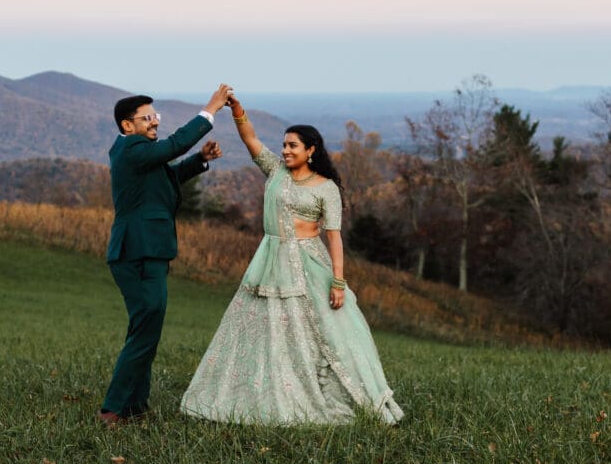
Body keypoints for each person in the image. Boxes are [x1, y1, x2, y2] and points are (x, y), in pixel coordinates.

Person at [180, 95, 403, 425]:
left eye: (293, 146)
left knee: (325, 330)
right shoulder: (276, 171)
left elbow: (334, 236)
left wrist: (339, 281)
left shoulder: (326, 188)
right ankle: (254, 393)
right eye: (284, 145)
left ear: (311, 150)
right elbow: (251, 139)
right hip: (269, 260)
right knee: (258, 327)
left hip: (309, 264)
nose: (285, 151)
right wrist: (237, 111)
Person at [100, 85, 233, 425]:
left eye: (155, 117)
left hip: (145, 251)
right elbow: (174, 145)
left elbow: (168, 175)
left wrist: (200, 160)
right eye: (147, 118)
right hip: (138, 252)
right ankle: (114, 410)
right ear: (127, 125)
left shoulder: (140, 155)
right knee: (145, 331)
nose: (154, 123)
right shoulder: (131, 149)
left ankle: (134, 406)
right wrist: (210, 110)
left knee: (145, 328)